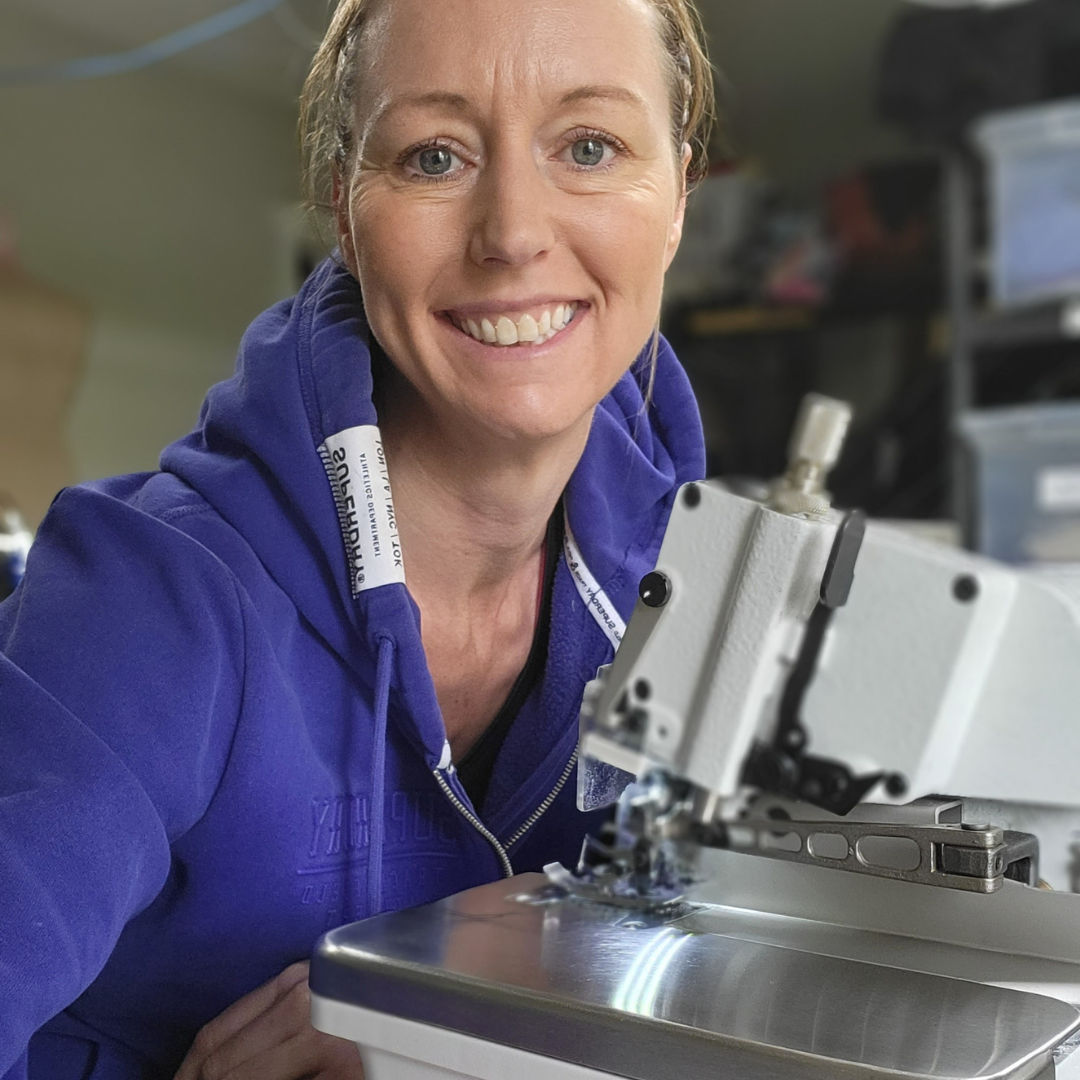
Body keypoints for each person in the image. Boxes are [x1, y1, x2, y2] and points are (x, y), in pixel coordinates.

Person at [0, 0, 714, 1075]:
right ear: (342, 206)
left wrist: (485, 998)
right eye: (434, 156)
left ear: (678, 199)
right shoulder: (148, 606)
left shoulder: (688, 579)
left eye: (590, 147)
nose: (514, 233)